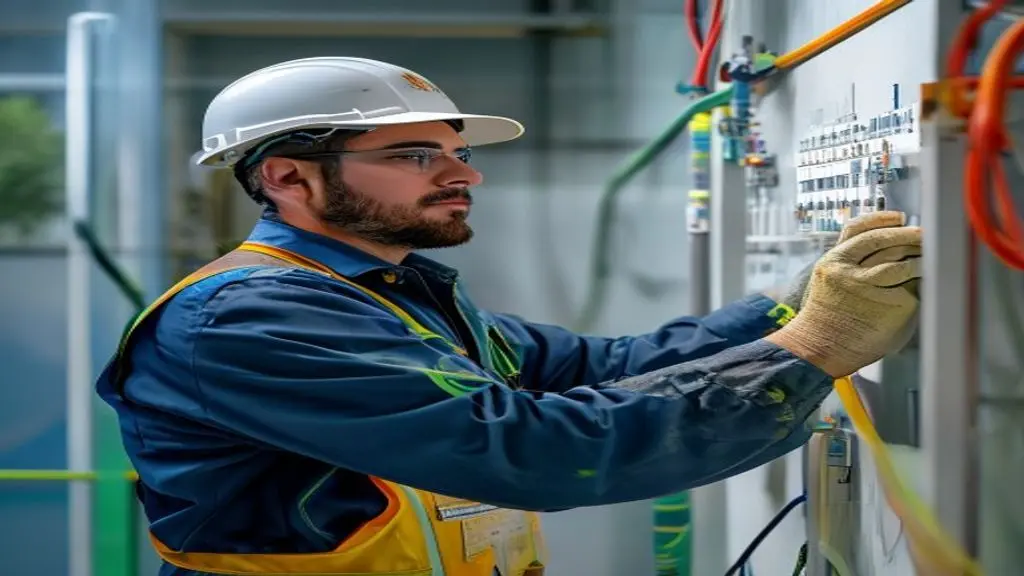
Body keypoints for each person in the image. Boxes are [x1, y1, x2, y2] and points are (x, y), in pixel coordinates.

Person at [95, 57, 922, 576]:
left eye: (458, 153)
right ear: (287, 177)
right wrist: (814, 345)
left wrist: (793, 302)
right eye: (414, 155)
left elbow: (607, 367)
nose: (464, 175)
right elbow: (525, 449)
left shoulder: (392, 296)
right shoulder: (248, 318)